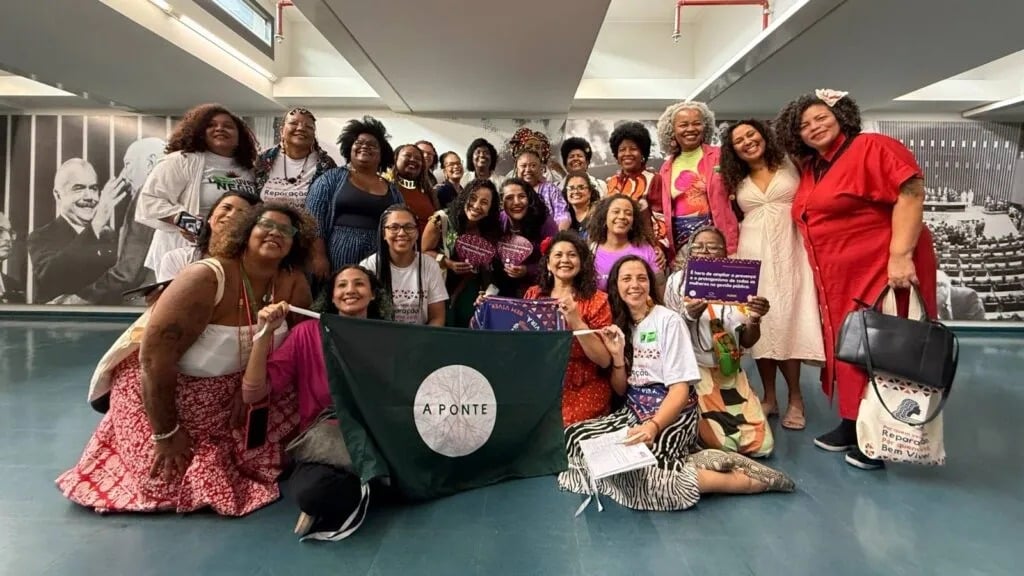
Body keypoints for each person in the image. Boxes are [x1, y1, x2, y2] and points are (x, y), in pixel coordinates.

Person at [56, 202, 315, 516]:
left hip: (237, 391)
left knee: (286, 444)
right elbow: (153, 360)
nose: (276, 233)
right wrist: (165, 432)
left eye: (286, 230)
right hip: (166, 392)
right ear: (246, 232)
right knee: (167, 483)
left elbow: (299, 347)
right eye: (267, 225)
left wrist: (253, 388)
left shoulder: (292, 281)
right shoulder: (206, 277)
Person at [776, 89, 938, 470]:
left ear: (841, 115)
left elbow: (911, 191)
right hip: (838, 278)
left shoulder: (871, 147)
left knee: (882, 350)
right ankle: (853, 422)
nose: (814, 127)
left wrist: (900, 255)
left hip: (880, 270)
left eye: (821, 117)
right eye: (804, 125)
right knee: (850, 347)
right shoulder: (814, 167)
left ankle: (880, 436)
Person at [558, 256, 795, 511]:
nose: (634, 285)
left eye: (641, 278)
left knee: (647, 475)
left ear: (650, 284)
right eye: (626, 279)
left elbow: (680, 390)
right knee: (575, 437)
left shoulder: (668, 321)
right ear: (616, 286)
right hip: (633, 412)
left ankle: (743, 481)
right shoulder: (621, 326)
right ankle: (700, 460)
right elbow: (621, 390)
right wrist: (617, 357)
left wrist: (653, 426)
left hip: (672, 415)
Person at [242, 265, 385, 540]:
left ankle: (369, 482)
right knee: (312, 492)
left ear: (373, 295)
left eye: (359, 284)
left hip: (377, 439)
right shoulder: (306, 334)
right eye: (342, 285)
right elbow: (253, 393)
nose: (350, 290)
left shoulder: (388, 336)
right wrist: (264, 334)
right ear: (331, 297)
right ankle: (373, 484)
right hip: (327, 444)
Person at [719, 119, 824, 430]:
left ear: (764, 134)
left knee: (790, 320)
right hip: (753, 254)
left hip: (792, 250)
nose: (747, 142)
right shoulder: (734, 178)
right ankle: (769, 397)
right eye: (738, 140)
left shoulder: (792, 162)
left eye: (751, 134)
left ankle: (795, 398)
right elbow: (726, 218)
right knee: (760, 322)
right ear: (733, 150)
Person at [665, 227, 774, 457]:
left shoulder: (739, 283)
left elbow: (747, 340)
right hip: (696, 371)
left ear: (725, 253)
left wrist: (755, 319)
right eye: (698, 247)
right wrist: (689, 316)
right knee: (723, 446)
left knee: (762, 446)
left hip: (730, 369)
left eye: (713, 247)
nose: (705, 251)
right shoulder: (676, 282)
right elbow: (669, 335)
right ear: (690, 252)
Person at [523, 231, 612, 426]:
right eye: (558, 255)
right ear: (548, 264)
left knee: (555, 427)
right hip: (541, 383)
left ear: (581, 263)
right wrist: (488, 307)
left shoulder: (597, 300)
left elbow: (604, 360)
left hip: (583, 388)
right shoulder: (534, 295)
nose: (565, 260)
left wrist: (576, 321)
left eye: (572, 255)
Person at [360, 205, 448, 325]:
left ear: (417, 232)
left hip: (420, 335)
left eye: (409, 227)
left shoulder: (430, 265)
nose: (401, 233)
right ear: (384, 233)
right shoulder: (369, 266)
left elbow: (437, 317)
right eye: (394, 227)